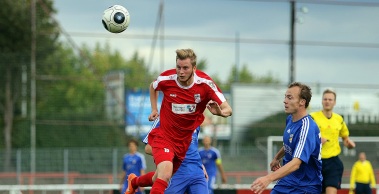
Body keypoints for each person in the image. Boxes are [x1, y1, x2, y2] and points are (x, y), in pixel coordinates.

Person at [125, 48, 232, 194]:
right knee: (165, 172)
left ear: (194, 68)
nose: (181, 72)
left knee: (160, 176)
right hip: (165, 139)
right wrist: (154, 109)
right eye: (178, 67)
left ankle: (135, 181)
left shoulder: (205, 86)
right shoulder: (167, 79)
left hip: (184, 151)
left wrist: (219, 112)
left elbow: (228, 110)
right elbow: (153, 86)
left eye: (185, 68)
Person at [251, 82, 322, 194]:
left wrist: (268, 178)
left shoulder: (307, 127)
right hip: (287, 181)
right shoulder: (290, 119)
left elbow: (296, 164)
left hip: (305, 186)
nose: (285, 101)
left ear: (302, 102)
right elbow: (290, 143)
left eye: (290, 97)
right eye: (285, 97)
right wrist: (277, 157)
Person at [143, 117, 209, 194]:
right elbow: (148, 148)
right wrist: (170, 154)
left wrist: (200, 164)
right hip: (176, 172)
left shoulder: (196, 118)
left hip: (196, 171)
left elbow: (193, 147)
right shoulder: (164, 117)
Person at [310, 89, 356, 194]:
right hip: (315, 161)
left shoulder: (339, 119)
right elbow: (304, 137)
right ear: (322, 101)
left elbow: (345, 138)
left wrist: (349, 144)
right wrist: (317, 140)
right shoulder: (312, 117)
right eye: (325, 99)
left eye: (330, 99)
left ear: (334, 102)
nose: (327, 101)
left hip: (333, 162)